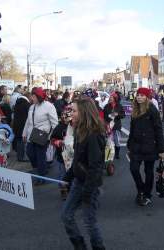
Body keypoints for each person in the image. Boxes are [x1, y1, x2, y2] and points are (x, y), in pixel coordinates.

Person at [61, 97, 106, 250]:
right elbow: (78, 159)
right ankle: (80, 246)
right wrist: (68, 177)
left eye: (73, 111)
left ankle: (98, 247)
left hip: (89, 184)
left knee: (89, 221)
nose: (70, 113)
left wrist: (88, 191)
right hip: (79, 181)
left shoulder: (93, 134)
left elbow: (95, 166)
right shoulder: (79, 129)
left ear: (84, 113)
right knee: (66, 216)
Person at [127, 88, 164, 206]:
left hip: (149, 146)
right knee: (133, 168)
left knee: (148, 171)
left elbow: (158, 129)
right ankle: (141, 189)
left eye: (142, 95)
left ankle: (146, 194)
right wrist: (129, 144)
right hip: (136, 146)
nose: (139, 97)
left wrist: (161, 149)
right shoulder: (135, 110)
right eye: (138, 95)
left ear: (147, 97)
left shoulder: (152, 110)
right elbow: (132, 130)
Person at [22, 87, 58, 185]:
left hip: (42, 136)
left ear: (38, 96)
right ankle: (39, 170)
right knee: (29, 153)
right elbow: (28, 121)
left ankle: (41, 177)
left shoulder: (49, 106)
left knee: (40, 157)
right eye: (31, 96)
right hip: (31, 135)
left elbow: (55, 123)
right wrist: (24, 133)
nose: (31, 98)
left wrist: (51, 136)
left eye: (33, 96)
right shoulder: (31, 107)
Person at [51, 105, 72, 200]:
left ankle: (72, 189)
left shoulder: (77, 127)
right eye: (64, 115)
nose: (65, 117)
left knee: (72, 173)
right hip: (61, 156)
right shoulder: (59, 127)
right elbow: (52, 139)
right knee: (62, 174)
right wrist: (59, 142)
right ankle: (63, 190)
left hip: (73, 155)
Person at [104, 92, 125, 159]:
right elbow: (104, 116)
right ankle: (108, 156)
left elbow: (123, 115)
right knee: (109, 141)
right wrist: (107, 119)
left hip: (116, 126)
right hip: (108, 126)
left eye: (111, 97)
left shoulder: (119, 106)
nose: (110, 99)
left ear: (115, 99)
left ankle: (117, 154)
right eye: (110, 97)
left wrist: (117, 114)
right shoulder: (107, 106)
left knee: (117, 141)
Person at [13, 92, 31, 161]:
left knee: (19, 141)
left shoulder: (18, 102)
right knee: (21, 142)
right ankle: (21, 157)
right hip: (22, 125)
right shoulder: (26, 104)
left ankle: (19, 156)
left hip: (17, 125)